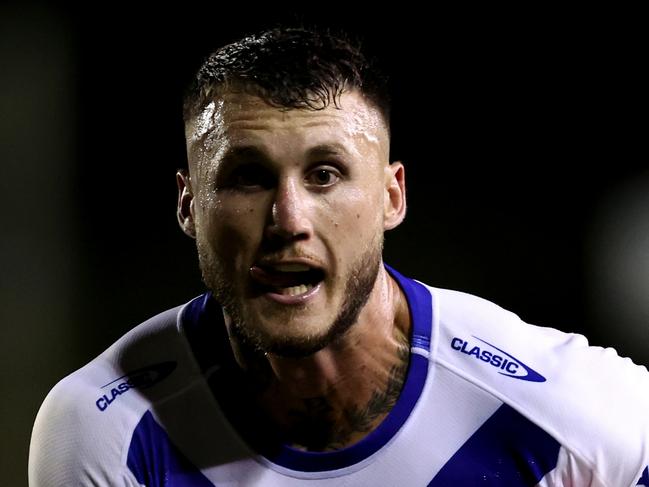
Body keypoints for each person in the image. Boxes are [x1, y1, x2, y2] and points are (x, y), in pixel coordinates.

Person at [28, 26, 649, 487]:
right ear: (190, 205)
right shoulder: (109, 430)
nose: (288, 221)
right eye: (247, 177)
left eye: (325, 174)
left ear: (390, 196)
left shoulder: (571, 415)